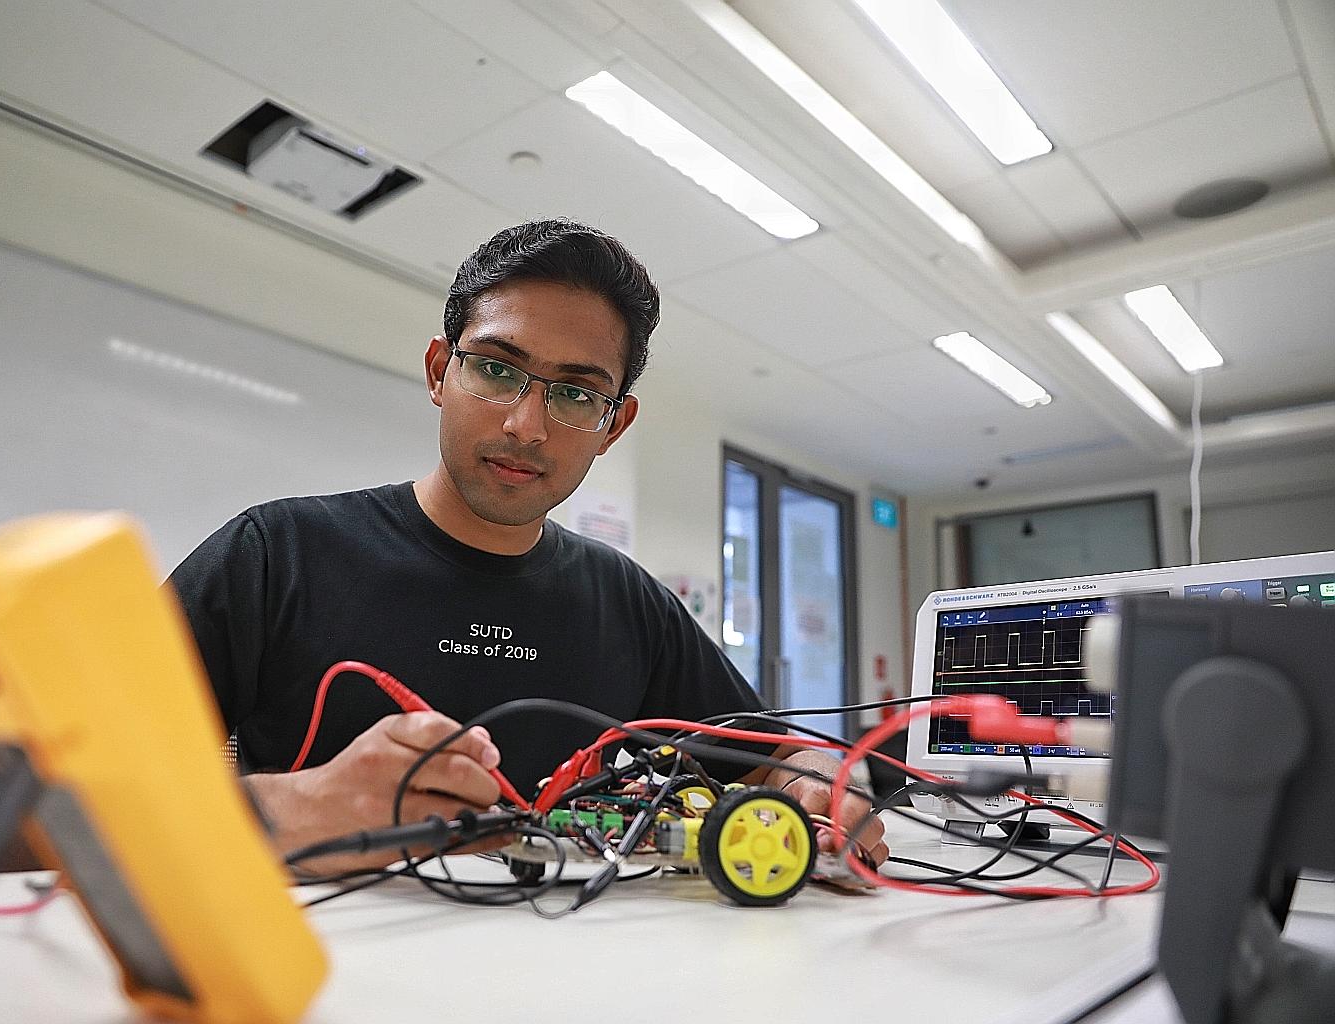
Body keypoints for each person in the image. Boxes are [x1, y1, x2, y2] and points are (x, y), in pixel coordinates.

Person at [168, 219, 888, 876]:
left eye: (576, 395)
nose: (526, 426)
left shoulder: (628, 602)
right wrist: (307, 805)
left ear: (614, 426)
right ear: (437, 372)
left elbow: (778, 762)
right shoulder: (276, 554)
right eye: (496, 369)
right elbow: (63, 791)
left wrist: (828, 793)